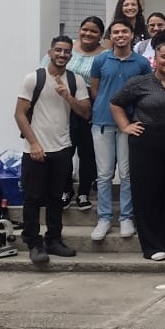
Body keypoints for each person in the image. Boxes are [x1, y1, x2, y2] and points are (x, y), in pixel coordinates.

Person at [110, 33, 165, 262]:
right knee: (148, 195)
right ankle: (153, 246)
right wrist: (126, 126)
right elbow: (116, 103)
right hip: (146, 146)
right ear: (155, 59)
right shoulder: (140, 83)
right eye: (164, 57)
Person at [14, 35, 91, 265]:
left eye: (67, 52)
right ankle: (33, 243)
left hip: (63, 147)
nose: (62, 55)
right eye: (58, 50)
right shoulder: (33, 78)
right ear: (50, 52)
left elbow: (85, 112)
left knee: (57, 198)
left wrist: (67, 95)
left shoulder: (74, 79)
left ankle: (54, 240)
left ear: (71, 55)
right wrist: (34, 143)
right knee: (33, 198)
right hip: (35, 149)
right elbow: (19, 114)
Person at [89, 19, 152, 241]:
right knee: (104, 174)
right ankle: (104, 218)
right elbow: (96, 90)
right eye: (116, 32)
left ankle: (126, 217)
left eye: (124, 31)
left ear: (132, 34)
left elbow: (146, 93)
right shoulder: (100, 60)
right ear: (111, 35)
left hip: (130, 125)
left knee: (126, 174)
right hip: (102, 122)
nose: (120, 35)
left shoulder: (142, 63)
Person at [43, 15, 105, 212]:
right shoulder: (66, 50)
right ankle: (66, 190)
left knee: (88, 152)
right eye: (85, 29)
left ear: (100, 35)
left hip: (90, 107)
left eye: (94, 31)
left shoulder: (105, 54)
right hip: (61, 107)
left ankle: (84, 191)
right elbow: (45, 72)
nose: (88, 34)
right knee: (65, 151)